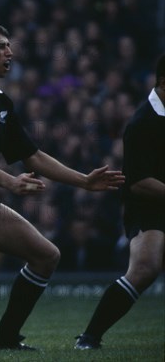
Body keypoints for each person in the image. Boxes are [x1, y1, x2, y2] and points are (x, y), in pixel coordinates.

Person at [0, 23, 125, 351]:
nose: (10, 53)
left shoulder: (1, 102)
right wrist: (10, 182)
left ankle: (6, 339)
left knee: (46, 255)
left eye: (9, 46)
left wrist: (84, 181)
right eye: (2, 47)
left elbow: (32, 155)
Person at [75, 54, 164, 350]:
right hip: (148, 207)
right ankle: (89, 337)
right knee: (145, 268)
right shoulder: (143, 122)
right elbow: (138, 182)